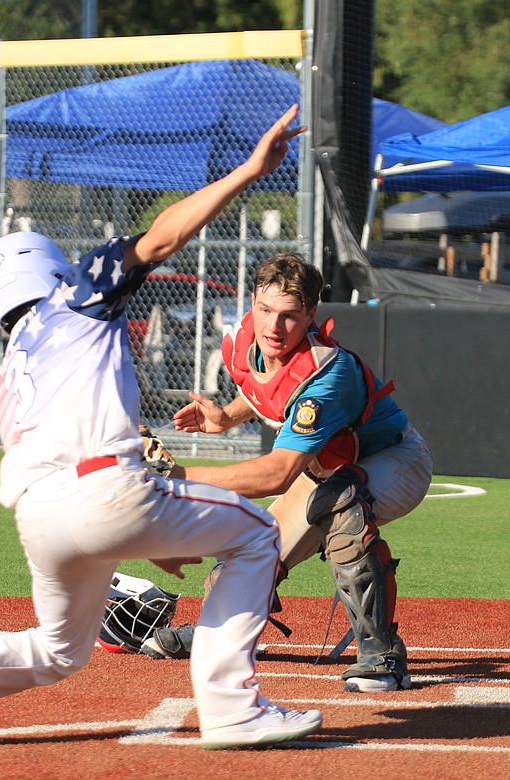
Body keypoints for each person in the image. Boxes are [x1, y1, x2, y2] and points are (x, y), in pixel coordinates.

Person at [0, 105, 323, 752]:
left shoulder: (14, 364)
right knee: (260, 532)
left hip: (40, 518)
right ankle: (233, 709)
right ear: (47, 268)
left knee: (59, 651)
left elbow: (71, 465)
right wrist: (249, 170)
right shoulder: (75, 298)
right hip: (106, 491)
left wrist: (149, 531)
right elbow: (161, 239)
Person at [146, 253, 433, 694]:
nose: (273, 327)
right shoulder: (248, 337)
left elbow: (277, 474)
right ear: (253, 301)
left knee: (339, 505)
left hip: (396, 461)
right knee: (253, 545)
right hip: (328, 467)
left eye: (289, 317)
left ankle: (382, 653)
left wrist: (176, 475)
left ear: (311, 315)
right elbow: (268, 389)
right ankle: (221, 633)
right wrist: (226, 417)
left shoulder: (327, 372)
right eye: (264, 310)